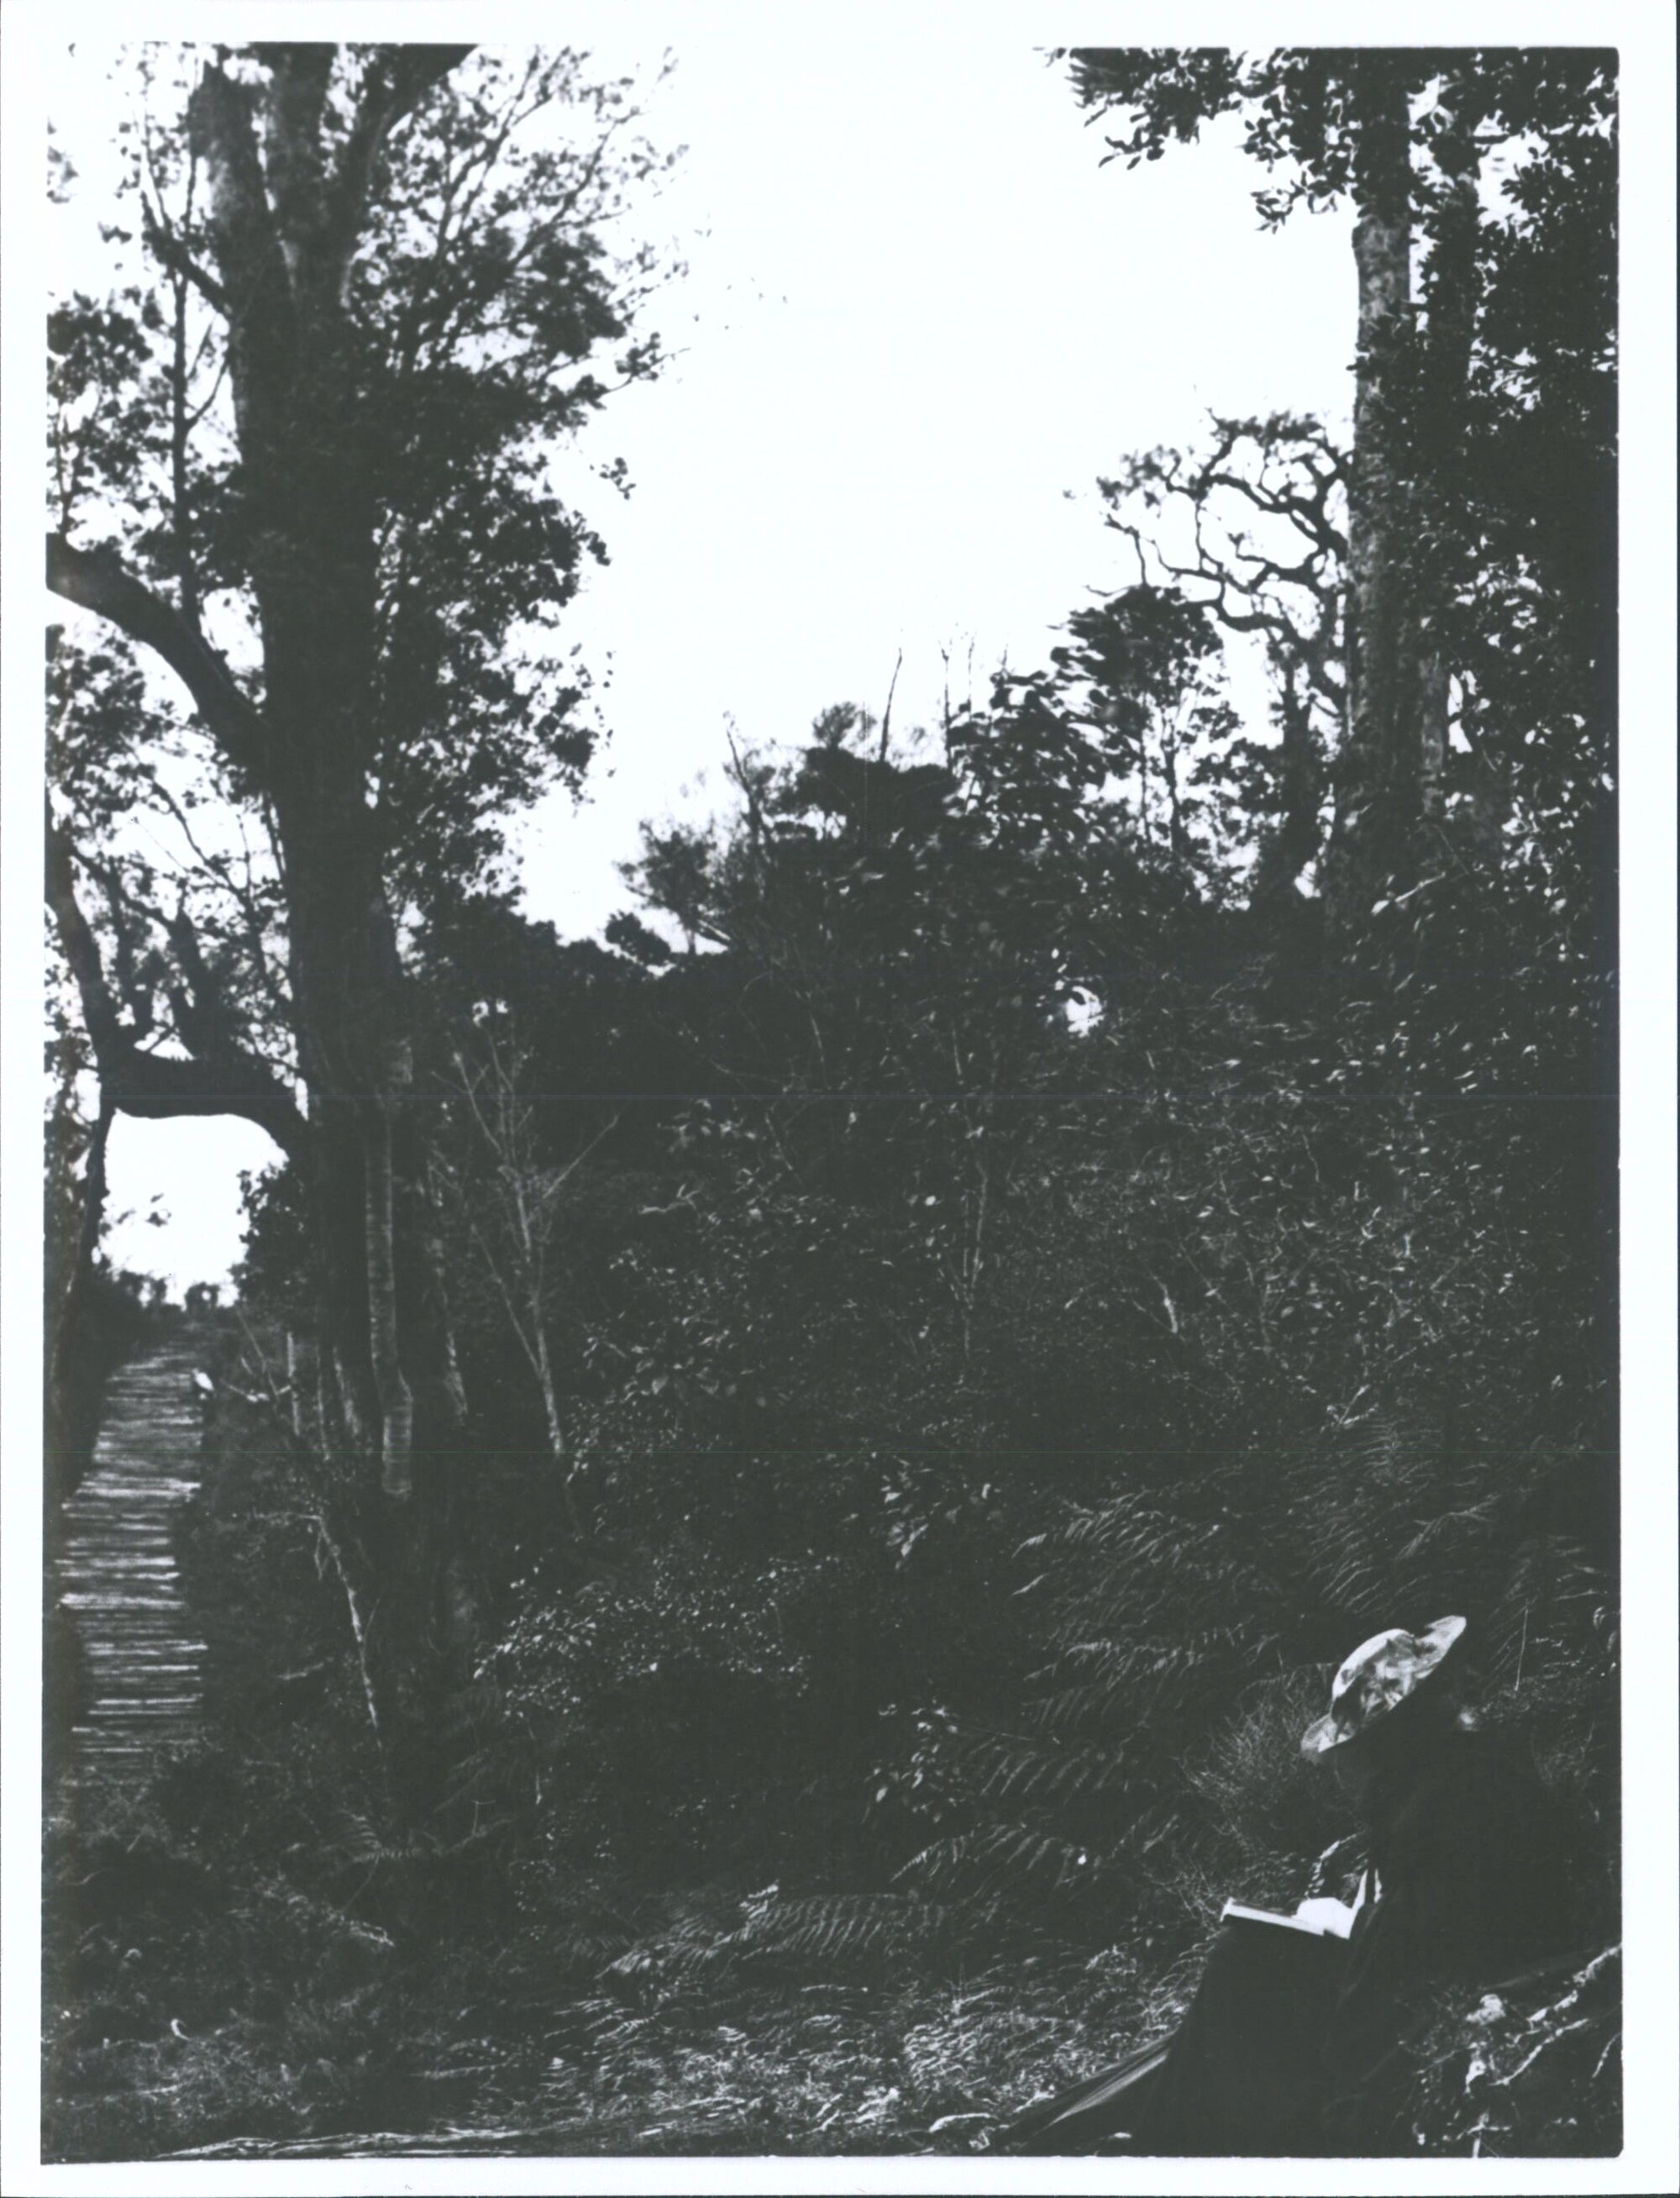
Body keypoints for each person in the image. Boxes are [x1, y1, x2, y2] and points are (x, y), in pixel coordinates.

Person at [1002, 1614, 1599, 2155]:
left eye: (1355, 1753)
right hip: (1479, 1979)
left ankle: (1159, 2150)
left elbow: (1409, 1958)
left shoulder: (1441, 1804)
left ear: (1389, 1742)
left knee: (1242, 1963)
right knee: (1226, 1998)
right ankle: (1102, 2132)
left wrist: (1347, 2069)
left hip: (1467, 1997)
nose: (1346, 1771)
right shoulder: (1466, 1773)